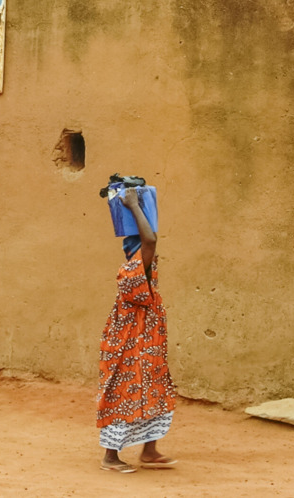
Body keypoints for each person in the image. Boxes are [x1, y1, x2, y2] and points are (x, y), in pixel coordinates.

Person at [96, 186, 177, 473]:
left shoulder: (144, 272)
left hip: (146, 347)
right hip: (128, 349)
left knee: (154, 392)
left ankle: (149, 452)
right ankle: (110, 457)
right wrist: (133, 205)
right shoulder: (133, 270)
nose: (154, 255)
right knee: (123, 395)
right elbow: (150, 240)